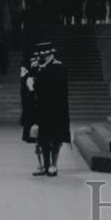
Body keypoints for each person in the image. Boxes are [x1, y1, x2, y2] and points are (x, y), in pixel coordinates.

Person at [31, 40, 71, 176]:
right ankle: (46, 165)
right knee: (43, 138)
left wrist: (37, 79)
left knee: (55, 138)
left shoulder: (58, 67)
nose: (45, 57)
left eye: (47, 54)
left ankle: (53, 165)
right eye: (43, 55)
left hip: (56, 108)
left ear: (51, 54)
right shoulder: (41, 67)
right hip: (43, 108)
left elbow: (55, 88)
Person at [19, 50, 44, 175]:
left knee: (41, 139)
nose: (34, 62)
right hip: (32, 110)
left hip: (39, 110)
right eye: (33, 60)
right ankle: (42, 164)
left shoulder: (38, 73)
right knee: (37, 139)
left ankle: (45, 164)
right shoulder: (27, 76)